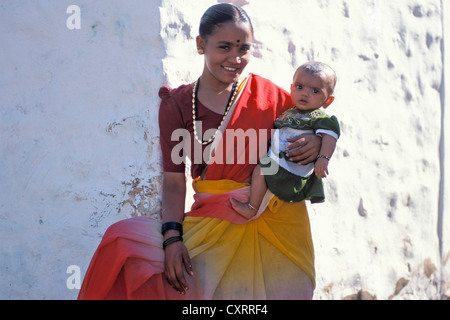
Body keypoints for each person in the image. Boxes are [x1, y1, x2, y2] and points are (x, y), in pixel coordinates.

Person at [78, 3, 322, 300]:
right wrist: (171, 239)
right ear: (200, 44)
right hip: (211, 225)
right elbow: (173, 181)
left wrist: (318, 144)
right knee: (121, 243)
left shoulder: (270, 97)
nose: (235, 58)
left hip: (276, 224)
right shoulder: (178, 104)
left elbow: (315, 123)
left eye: (243, 49)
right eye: (224, 47)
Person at [230, 61, 340, 219]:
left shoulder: (320, 118)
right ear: (291, 88)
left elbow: (330, 137)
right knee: (258, 171)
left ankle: (252, 207)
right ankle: (252, 206)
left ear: (328, 101)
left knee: (261, 170)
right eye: (299, 87)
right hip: (278, 164)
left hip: (293, 172)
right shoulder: (287, 113)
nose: (305, 94)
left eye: (315, 91)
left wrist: (323, 158)